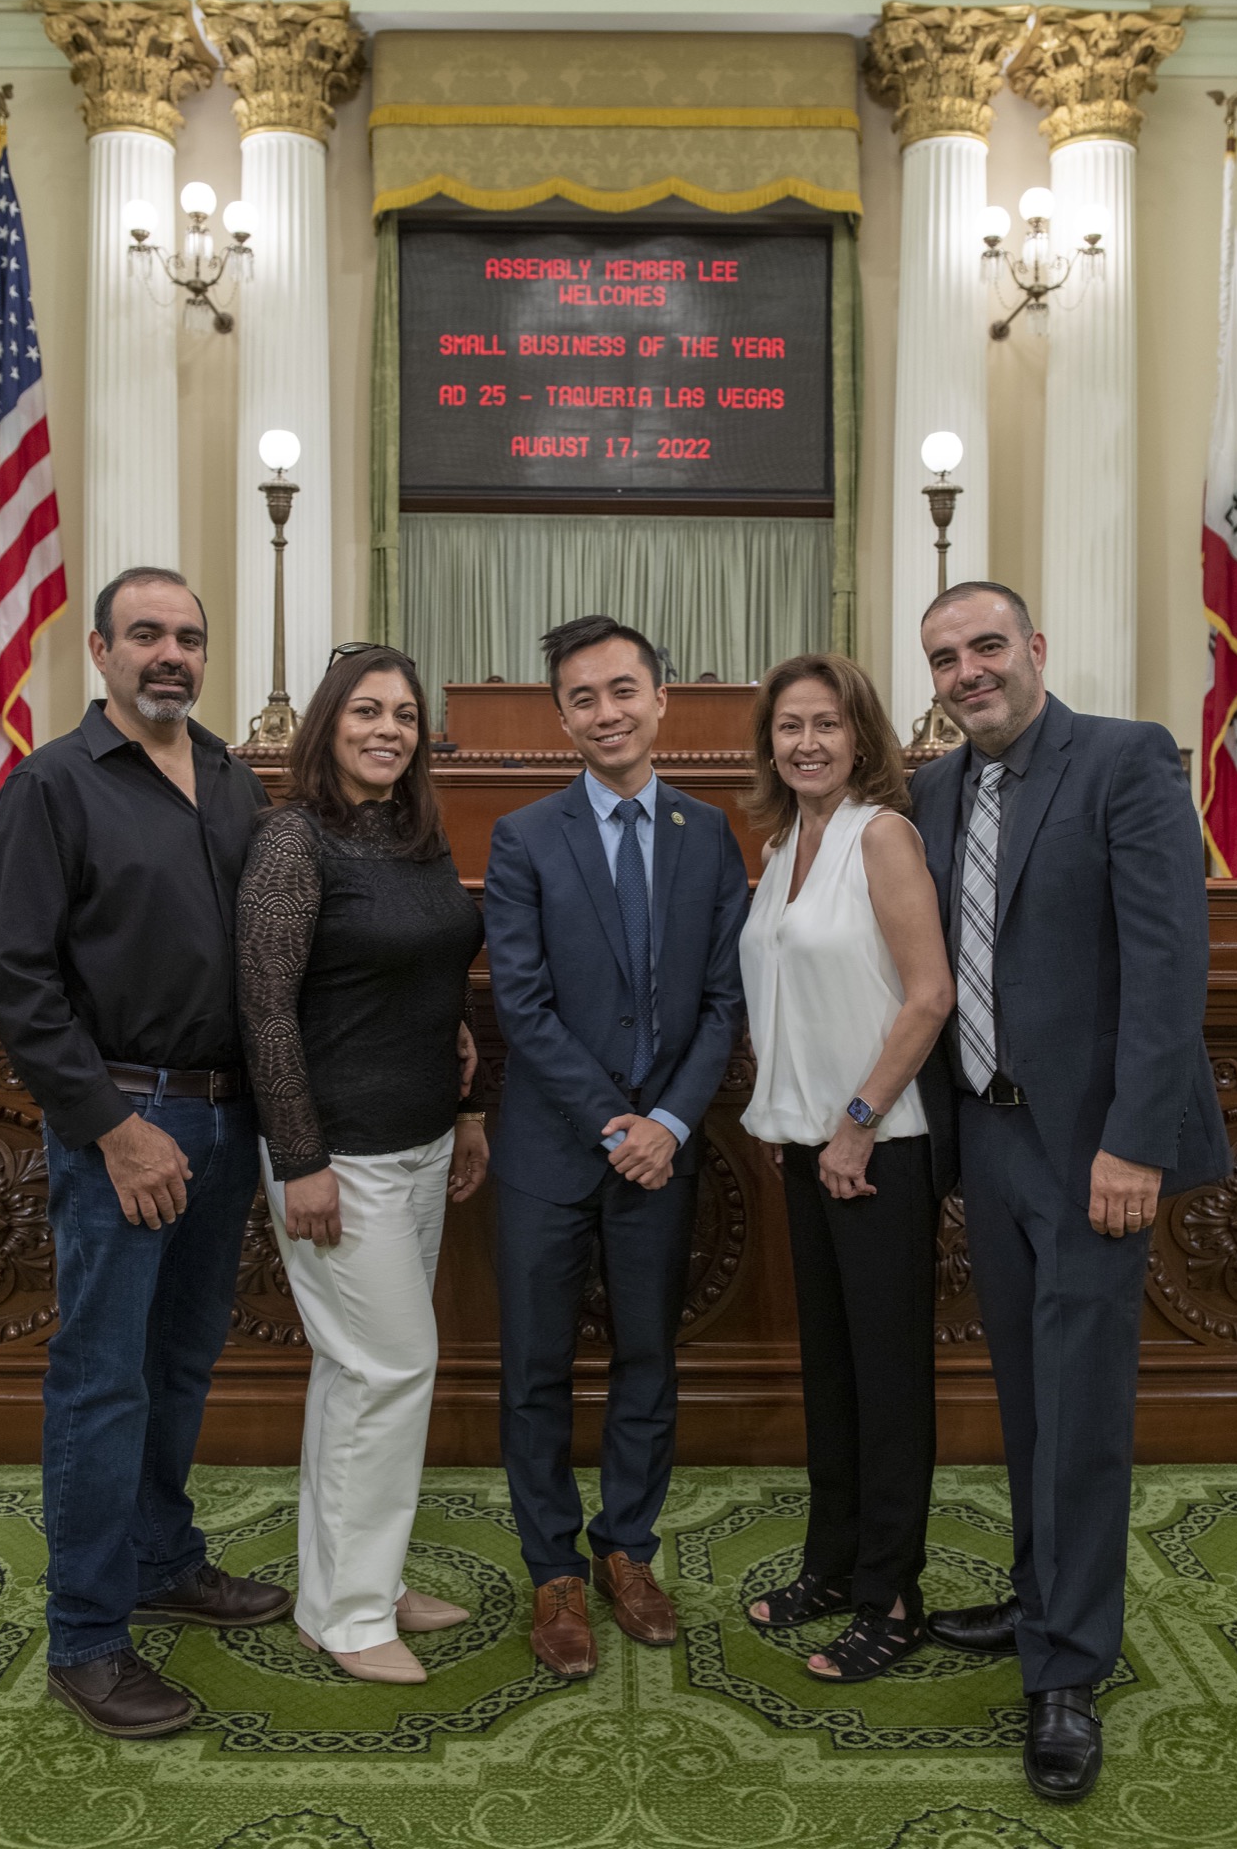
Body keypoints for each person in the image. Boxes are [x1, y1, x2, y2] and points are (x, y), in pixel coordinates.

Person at [909, 581, 1231, 1804]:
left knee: (1085, 1403)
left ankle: (1069, 1671)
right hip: (986, 1144)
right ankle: (1044, 1598)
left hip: (1096, 1145)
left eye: (987, 645)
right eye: (945, 657)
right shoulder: (934, 789)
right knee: (1028, 1391)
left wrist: (1137, 1140)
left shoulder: (1125, 759)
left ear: (1036, 647)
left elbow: (1168, 958)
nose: (968, 670)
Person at [0, 567, 290, 1741]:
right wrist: (112, 1125)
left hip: (225, 1117)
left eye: (189, 637)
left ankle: (162, 1555)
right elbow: (13, 978)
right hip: (125, 1123)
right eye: (146, 633)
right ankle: (88, 1636)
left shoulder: (229, 777)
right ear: (99, 651)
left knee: (183, 1364)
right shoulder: (51, 785)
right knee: (104, 1381)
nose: (171, 653)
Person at [484, 615, 749, 1678]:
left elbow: (726, 1000)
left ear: (660, 698)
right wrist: (615, 1121)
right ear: (562, 715)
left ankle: (626, 1548)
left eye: (623, 689)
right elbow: (522, 1001)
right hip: (553, 1150)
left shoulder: (710, 829)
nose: (606, 711)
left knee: (649, 1359)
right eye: (584, 697)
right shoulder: (524, 836)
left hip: (665, 1153)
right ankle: (552, 1566)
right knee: (536, 1369)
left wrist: (670, 1123)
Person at [236, 645, 487, 1685]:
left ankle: (359, 1583)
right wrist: (299, 1159)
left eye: (405, 713)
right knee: (386, 1369)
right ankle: (345, 1613)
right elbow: (263, 1006)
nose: (388, 727)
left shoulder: (415, 832)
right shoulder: (292, 839)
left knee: (366, 1376)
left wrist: (467, 1109)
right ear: (330, 722)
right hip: (336, 1153)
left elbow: (438, 982)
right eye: (368, 710)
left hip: (424, 1139)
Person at [739, 655, 954, 1681]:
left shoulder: (881, 834)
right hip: (806, 1149)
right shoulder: (785, 839)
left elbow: (927, 994)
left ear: (861, 736)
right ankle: (832, 1565)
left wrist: (859, 1121)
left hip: (877, 1148)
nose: (808, 742)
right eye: (790, 726)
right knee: (833, 1376)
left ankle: (893, 1594)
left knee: (888, 1383)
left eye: (827, 723)